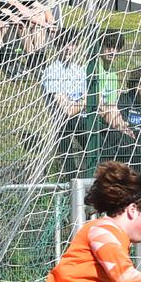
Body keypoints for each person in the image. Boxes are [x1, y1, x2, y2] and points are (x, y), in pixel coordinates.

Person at [41, 29, 87, 178]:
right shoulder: (51, 71)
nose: (68, 48)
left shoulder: (80, 71)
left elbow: (90, 98)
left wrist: (83, 103)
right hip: (63, 123)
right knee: (69, 169)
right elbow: (66, 110)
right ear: (58, 47)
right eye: (64, 44)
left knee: (99, 149)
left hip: (83, 120)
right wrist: (83, 103)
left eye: (72, 44)